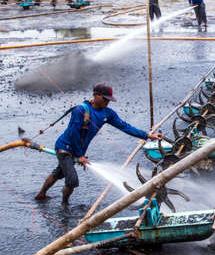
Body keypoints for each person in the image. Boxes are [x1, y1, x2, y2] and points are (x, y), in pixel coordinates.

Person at [35, 83, 163, 206]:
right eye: (104, 99)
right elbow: (74, 133)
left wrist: (147, 135)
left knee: (60, 172)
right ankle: (65, 205)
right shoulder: (80, 110)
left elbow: (125, 127)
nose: (106, 102)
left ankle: (41, 195)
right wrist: (80, 155)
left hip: (77, 150)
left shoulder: (107, 113)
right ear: (95, 95)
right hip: (64, 148)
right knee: (72, 180)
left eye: (109, 100)